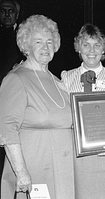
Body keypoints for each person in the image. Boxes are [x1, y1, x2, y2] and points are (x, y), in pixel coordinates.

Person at [0, 15, 75, 199]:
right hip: (33, 170)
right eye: (38, 41)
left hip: (63, 169)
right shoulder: (16, 79)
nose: (45, 47)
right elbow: (6, 129)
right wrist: (21, 172)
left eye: (50, 42)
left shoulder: (58, 81)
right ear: (26, 45)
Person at [61, 23, 105, 199]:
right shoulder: (66, 77)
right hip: (78, 158)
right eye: (86, 44)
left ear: (104, 49)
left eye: (97, 45)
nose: (91, 50)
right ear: (78, 48)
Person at [0, 0, 25, 83]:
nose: (7, 14)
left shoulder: (24, 35)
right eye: (3, 11)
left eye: (11, 11)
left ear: (17, 15)